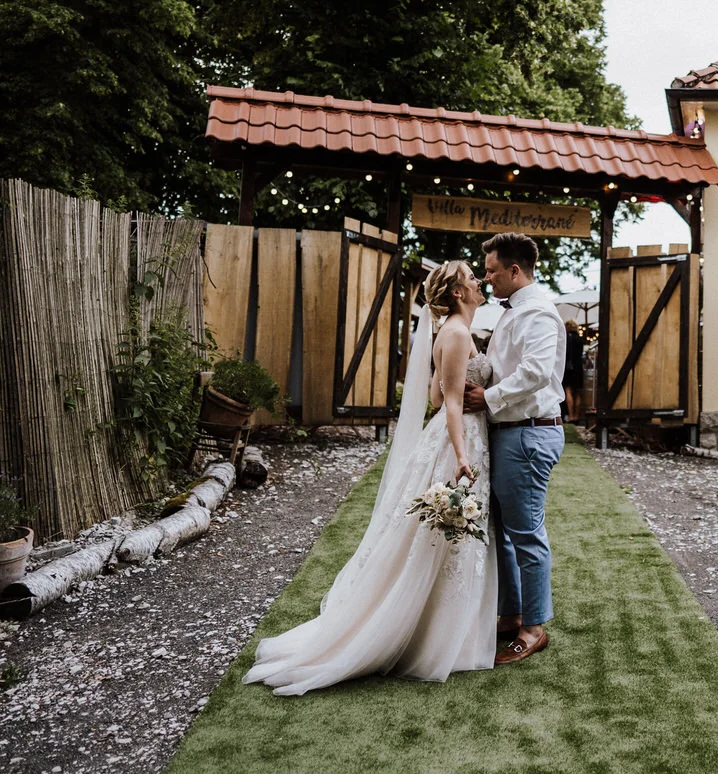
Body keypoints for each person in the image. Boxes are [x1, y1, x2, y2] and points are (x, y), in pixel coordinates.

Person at [242, 261, 497, 695]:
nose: (479, 281)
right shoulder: (455, 334)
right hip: (460, 444)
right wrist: (459, 455)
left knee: (440, 541)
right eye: (472, 277)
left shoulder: (454, 332)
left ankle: (440, 631)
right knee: (439, 539)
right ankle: (421, 638)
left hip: (461, 438)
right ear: (457, 292)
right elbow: (449, 403)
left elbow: (436, 392)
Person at [463, 232, 566, 665]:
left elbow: (538, 372)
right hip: (510, 431)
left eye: (490, 271)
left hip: (529, 432)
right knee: (501, 532)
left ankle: (533, 627)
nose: (486, 279)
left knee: (524, 533)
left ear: (514, 271)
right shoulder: (513, 311)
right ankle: (511, 613)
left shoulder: (538, 313)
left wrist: (487, 397)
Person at [562, 318, 586, 419]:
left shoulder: (565, 338)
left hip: (568, 368)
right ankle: (576, 416)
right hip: (578, 367)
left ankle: (570, 415)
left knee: (568, 391)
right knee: (577, 392)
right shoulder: (580, 339)